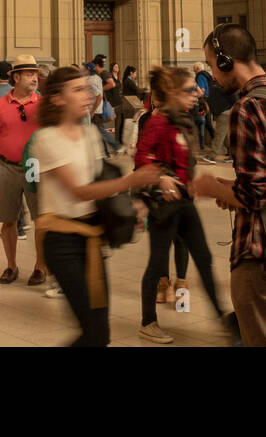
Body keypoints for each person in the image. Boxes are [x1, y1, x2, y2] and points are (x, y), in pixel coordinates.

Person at [190, 24, 266, 346]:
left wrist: (211, 187)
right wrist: (233, 186)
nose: (213, 75)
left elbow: (253, 195)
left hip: (263, 256)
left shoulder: (248, 108)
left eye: (212, 64)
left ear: (226, 60)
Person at [32, 65, 160, 345]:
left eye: (87, 88)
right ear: (57, 98)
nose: (87, 95)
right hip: (62, 242)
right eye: (77, 90)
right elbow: (79, 191)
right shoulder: (46, 138)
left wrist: (132, 206)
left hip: (92, 238)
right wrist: (131, 180)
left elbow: (100, 186)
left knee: (99, 333)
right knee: (94, 332)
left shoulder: (90, 135)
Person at [134, 66, 234, 344]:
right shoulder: (157, 122)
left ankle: (222, 318)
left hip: (185, 202)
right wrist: (162, 178)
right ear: (174, 93)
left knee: (203, 258)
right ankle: (148, 322)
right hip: (164, 206)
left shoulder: (184, 120)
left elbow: (186, 159)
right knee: (156, 264)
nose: (198, 93)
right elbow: (141, 158)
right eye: (191, 89)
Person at [0, 55, 47, 284]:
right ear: (16, 77)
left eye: (36, 73)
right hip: (6, 167)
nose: (34, 77)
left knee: (40, 218)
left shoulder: (41, 104)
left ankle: (40, 267)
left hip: (33, 166)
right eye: (29, 73)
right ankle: (11, 266)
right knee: (8, 219)